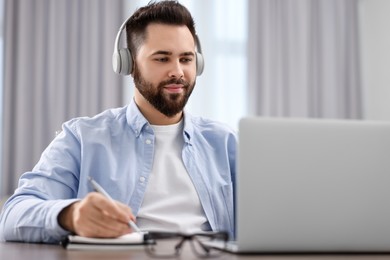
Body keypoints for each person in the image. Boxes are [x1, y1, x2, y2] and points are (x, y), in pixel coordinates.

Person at [0, 0, 236, 243]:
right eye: (162, 59)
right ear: (129, 64)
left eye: (186, 59)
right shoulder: (83, 137)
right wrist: (70, 215)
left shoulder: (225, 142)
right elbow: (13, 215)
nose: (177, 71)